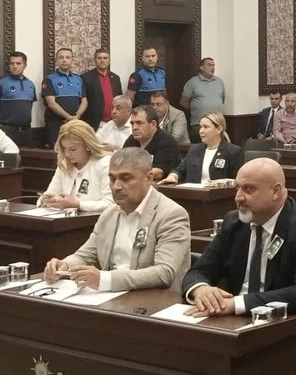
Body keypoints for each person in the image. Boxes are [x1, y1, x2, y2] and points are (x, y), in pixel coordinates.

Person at [181, 158, 296, 367]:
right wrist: (201, 289)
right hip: (239, 328)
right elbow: (197, 271)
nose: (238, 197)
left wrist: (235, 304)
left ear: (276, 191)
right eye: (237, 188)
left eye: (248, 189)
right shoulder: (233, 222)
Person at [43, 147, 190, 291]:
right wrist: (63, 266)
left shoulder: (171, 214)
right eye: (112, 179)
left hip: (154, 299)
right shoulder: (109, 214)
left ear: (148, 178)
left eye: (126, 179)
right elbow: (87, 255)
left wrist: (104, 280)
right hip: (112, 297)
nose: (116, 186)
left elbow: (164, 273)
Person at [40, 119, 112, 212]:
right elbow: (50, 193)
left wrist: (77, 204)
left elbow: (111, 205)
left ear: (87, 145)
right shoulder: (64, 164)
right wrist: (46, 200)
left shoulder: (105, 164)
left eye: (72, 149)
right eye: (64, 148)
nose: (67, 154)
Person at [161, 112, 243, 186]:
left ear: (219, 129)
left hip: (219, 195)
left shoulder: (233, 151)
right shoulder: (194, 149)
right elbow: (180, 170)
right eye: (200, 127)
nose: (201, 131)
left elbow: (238, 181)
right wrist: (173, 176)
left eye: (206, 127)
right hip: (195, 193)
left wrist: (223, 182)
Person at [0, 51, 38, 147]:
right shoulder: (0, 83)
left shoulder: (30, 84)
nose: (15, 66)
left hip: (26, 130)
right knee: (8, 155)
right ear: (8, 65)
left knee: (26, 155)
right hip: (6, 130)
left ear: (25, 65)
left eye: (18, 63)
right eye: (12, 63)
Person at [42, 47, 88, 148]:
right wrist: (68, 117)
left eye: (68, 57)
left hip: (75, 122)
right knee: (57, 150)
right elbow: (51, 104)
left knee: (74, 150)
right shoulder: (49, 79)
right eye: (61, 57)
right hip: (56, 124)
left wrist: (76, 116)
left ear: (72, 60)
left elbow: (84, 101)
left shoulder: (78, 79)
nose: (64, 60)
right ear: (57, 60)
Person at [121, 106, 179, 182]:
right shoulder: (131, 140)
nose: (134, 127)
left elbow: (159, 172)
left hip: (160, 185)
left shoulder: (167, 141)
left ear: (153, 124)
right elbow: (122, 164)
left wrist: (131, 175)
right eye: (132, 123)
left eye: (139, 123)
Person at [180, 57, 226, 142]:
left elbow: (222, 100)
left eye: (213, 65)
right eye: (209, 65)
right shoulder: (193, 82)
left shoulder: (219, 82)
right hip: (199, 124)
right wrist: (196, 108)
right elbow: (183, 102)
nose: (212, 67)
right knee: (199, 148)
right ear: (202, 67)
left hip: (217, 124)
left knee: (218, 147)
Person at [80, 48, 122, 131]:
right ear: (95, 60)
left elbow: (120, 99)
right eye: (99, 58)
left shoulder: (115, 78)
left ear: (109, 60)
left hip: (114, 122)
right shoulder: (86, 78)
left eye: (105, 58)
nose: (102, 60)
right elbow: (83, 101)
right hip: (94, 123)